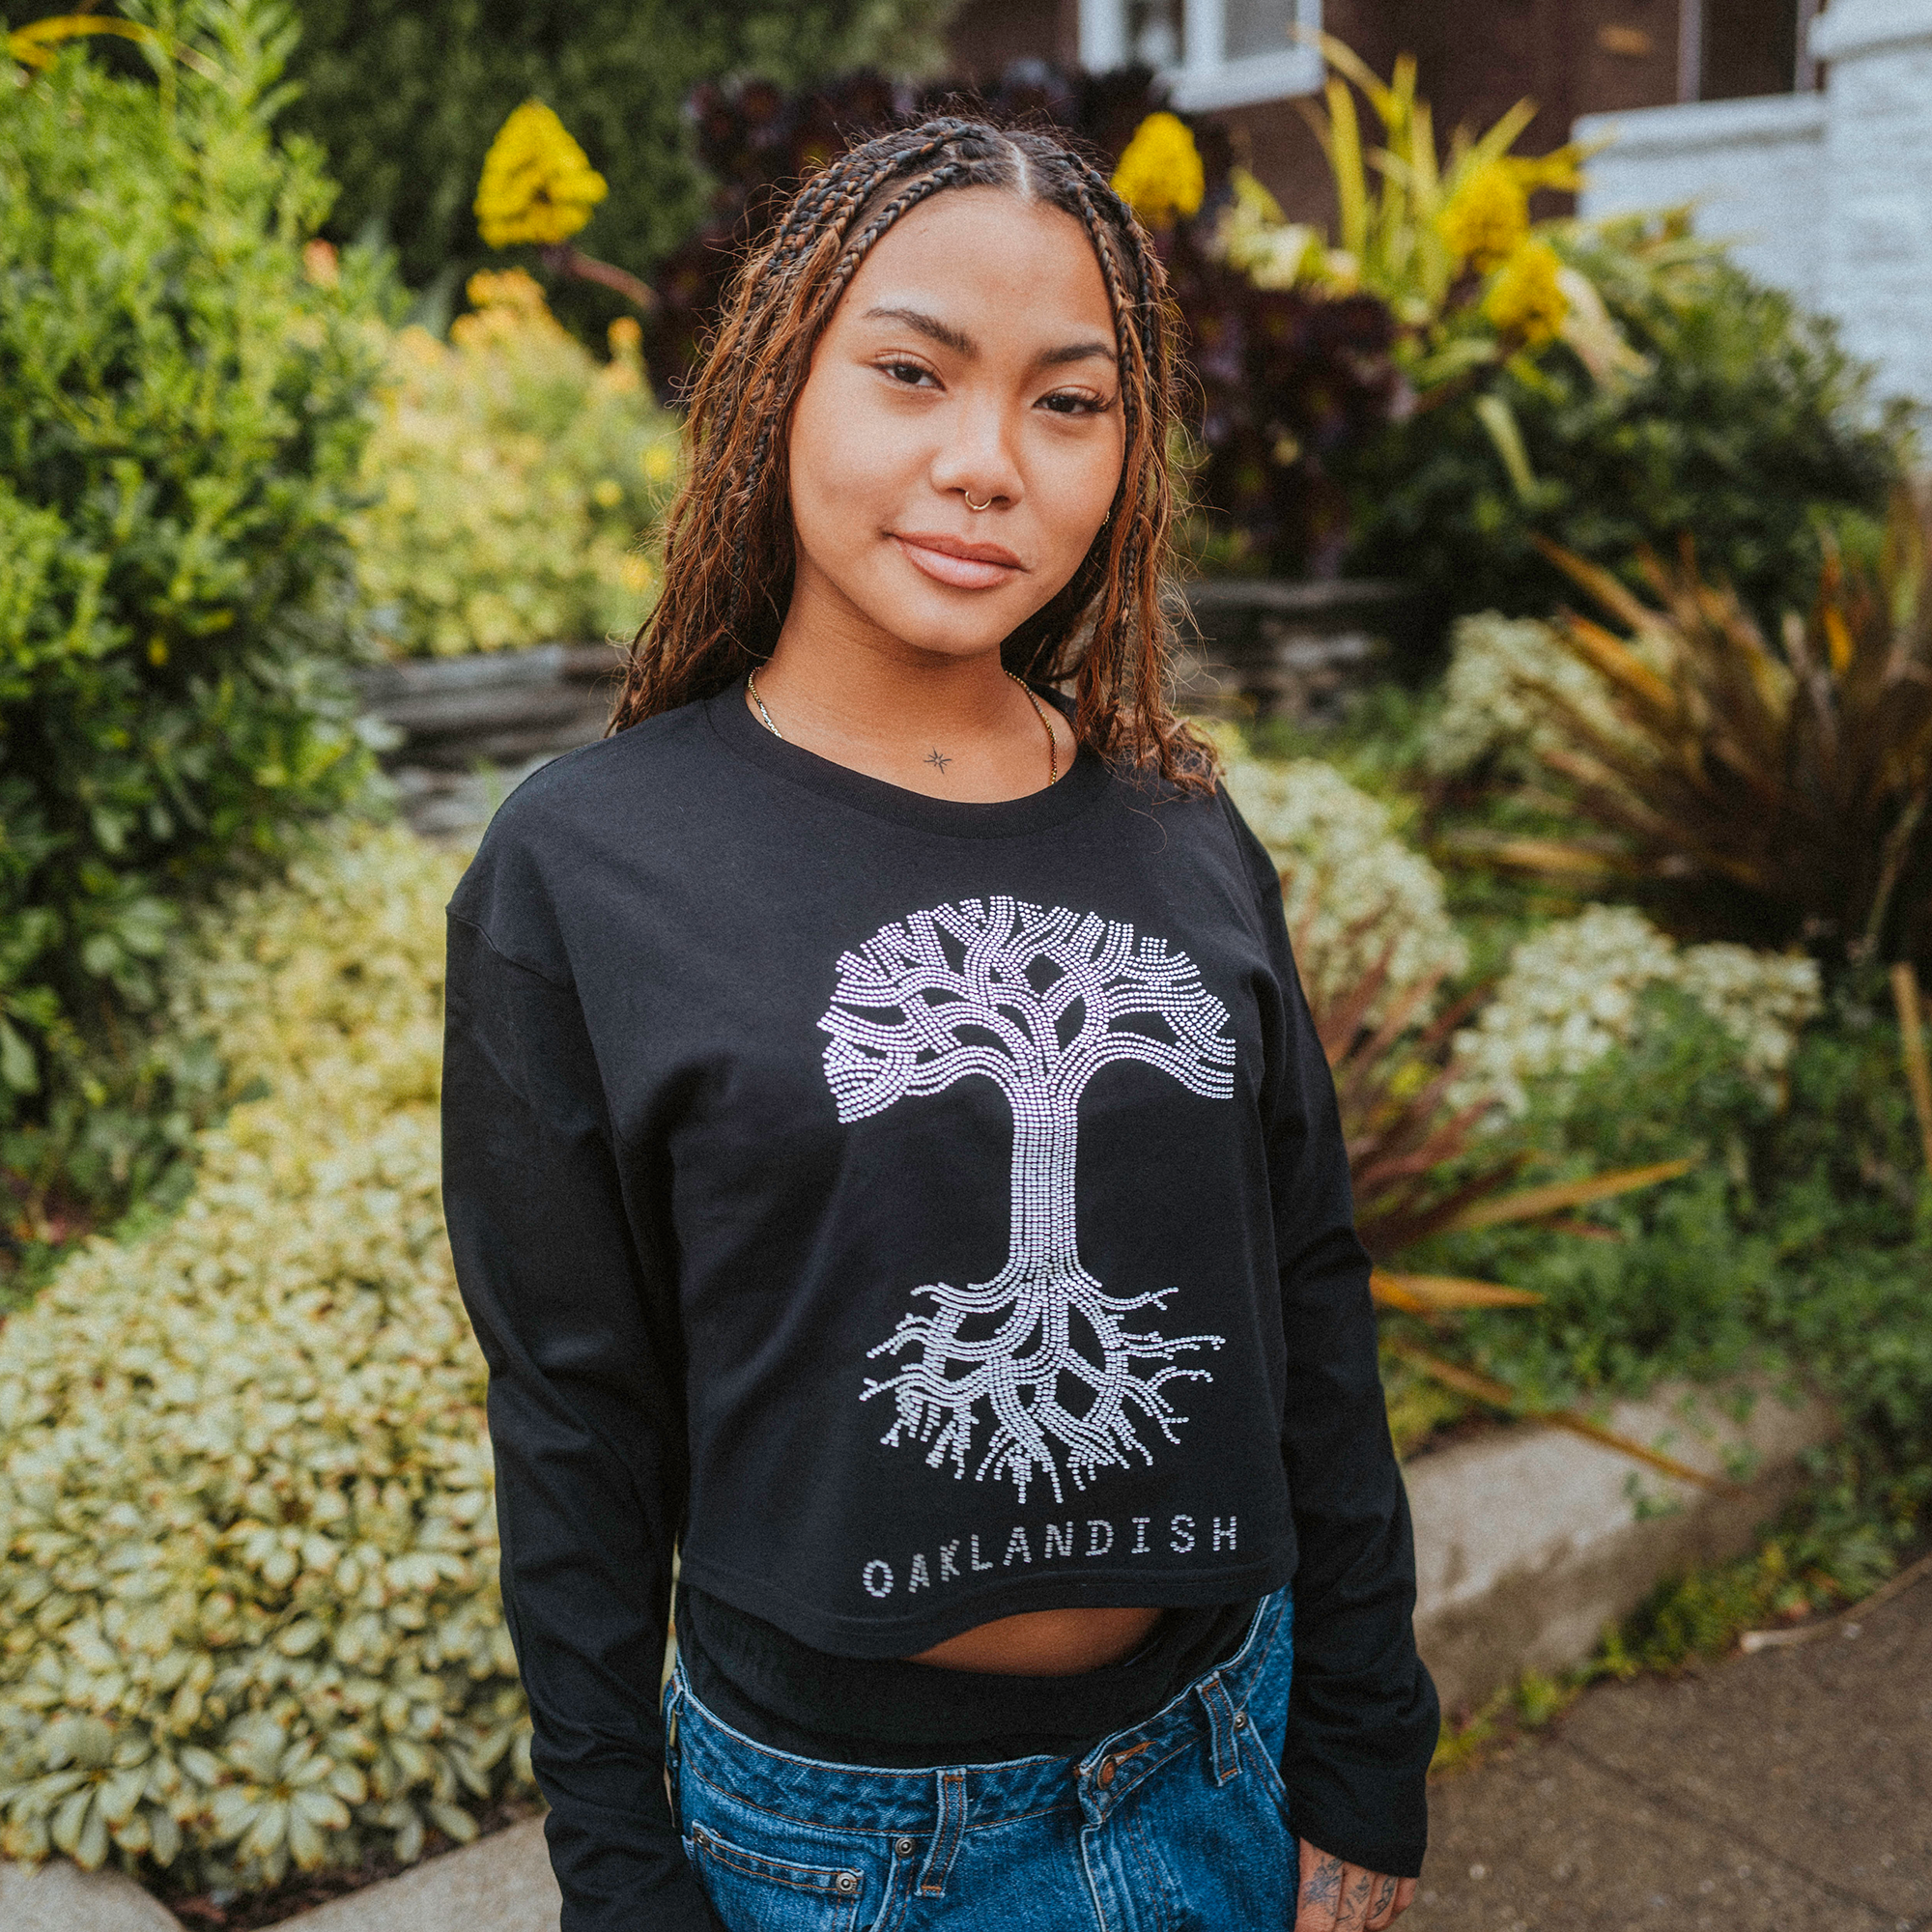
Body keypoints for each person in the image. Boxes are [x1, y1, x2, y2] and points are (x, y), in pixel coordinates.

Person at [441, 117, 1438, 1932]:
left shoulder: (1182, 833)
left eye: (1071, 403)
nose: (987, 464)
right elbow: (573, 1415)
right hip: (832, 1847)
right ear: (779, 392)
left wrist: (1366, 1736)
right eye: (912, 373)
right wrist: (620, 1878)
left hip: (1217, 1760)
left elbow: (1310, 1288)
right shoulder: (585, 869)